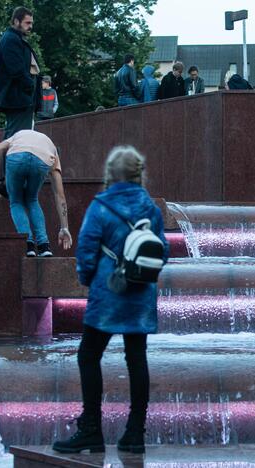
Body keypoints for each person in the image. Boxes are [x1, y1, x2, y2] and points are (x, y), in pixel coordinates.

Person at [53, 146, 169, 455]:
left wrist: (87, 279)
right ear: (138, 175)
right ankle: (135, 434)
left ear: (110, 175)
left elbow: (87, 250)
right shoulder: (151, 209)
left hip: (108, 293)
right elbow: (163, 253)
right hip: (141, 296)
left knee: (88, 355)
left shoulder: (101, 207)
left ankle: (91, 429)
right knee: (136, 359)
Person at [0, 130, 72, 257]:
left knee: (16, 201)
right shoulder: (52, 154)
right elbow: (60, 195)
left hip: (16, 156)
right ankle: (44, 246)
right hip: (42, 160)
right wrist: (64, 228)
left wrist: (0, 179)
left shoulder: (19, 135)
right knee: (32, 199)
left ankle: (27, 245)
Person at [0, 6, 39, 139]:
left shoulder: (14, 38)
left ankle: (9, 159)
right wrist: (29, 86)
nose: (30, 26)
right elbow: (16, 70)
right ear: (16, 21)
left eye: (31, 23)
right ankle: (9, 160)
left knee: (17, 137)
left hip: (20, 98)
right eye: (27, 23)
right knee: (17, 138)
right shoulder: (11, 39)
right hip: (18, 99)